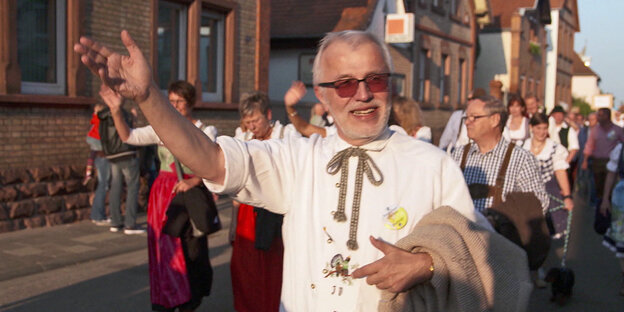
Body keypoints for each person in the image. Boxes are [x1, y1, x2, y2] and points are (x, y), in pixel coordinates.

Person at [76, 30, 532, 311]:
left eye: (375, 80)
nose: (363, 95)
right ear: (323, 94)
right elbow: (210, 157)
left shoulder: (432, 165)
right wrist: (149, 96)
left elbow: (480, 259)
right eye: (346, 84)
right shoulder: (299, 157)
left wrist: (428, 263)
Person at [100, 81, 217, 311]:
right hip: (163, 195)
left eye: (179, 101)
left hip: (189, 196)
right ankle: (166, 296)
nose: (174, 105)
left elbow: (214, 162)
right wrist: (115, 110)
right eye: (170, 101)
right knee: (163, 248)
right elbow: (128, 136)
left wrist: (194, 181)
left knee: (190, 249)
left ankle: (188, 298)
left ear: (191, 103)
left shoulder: (205, 130)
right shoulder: (160, 128)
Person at [230, 91, 299, 312]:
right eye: (248, 122)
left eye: (256, 120)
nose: (252, 126)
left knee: (273, 266)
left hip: (276, 211)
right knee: (245, 267)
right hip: (248, 212)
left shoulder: (286, 135)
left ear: (268, 114)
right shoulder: (243, 139)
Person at [523, 113, 574, 237]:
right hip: (525, 195)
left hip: (549, 194)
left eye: (545, 128)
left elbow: (560, 173)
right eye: (538, 128)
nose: (541, 132)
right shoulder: (522, 146)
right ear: (531, 127)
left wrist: (567, 196)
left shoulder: (555, 148)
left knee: (546, 234)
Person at [97, 97, 142, 234]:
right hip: (126, 152)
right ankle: (130, 224)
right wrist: (134, 118)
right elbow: (130, 133)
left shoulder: (103, 114)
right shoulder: (123, 114)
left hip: (112, 154)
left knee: (115, 187)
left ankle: (115, 222)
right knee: (133, 187)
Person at [582, 108, 624, 207]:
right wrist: (585, 160)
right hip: (597, 162)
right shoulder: (595, 130)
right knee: (598, 187)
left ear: (607, 116)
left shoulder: (617, 130)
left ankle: (609, 204)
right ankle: (599, 207)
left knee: (610, 187)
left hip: (612, 162)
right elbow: (589, 145)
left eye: (601, 115)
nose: (598, 118)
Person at [599, 142, 624, 296]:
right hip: (622, 201)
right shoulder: (621, 148)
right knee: (622, 244)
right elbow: (611, 173)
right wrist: (605, 199)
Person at [86, 102, 111, 226]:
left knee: (102, 185)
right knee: (103, 185)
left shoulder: (94, 123)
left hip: (98, 158)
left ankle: (97, 214)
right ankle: (98, 215)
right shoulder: (100, 124)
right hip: (103, 157)